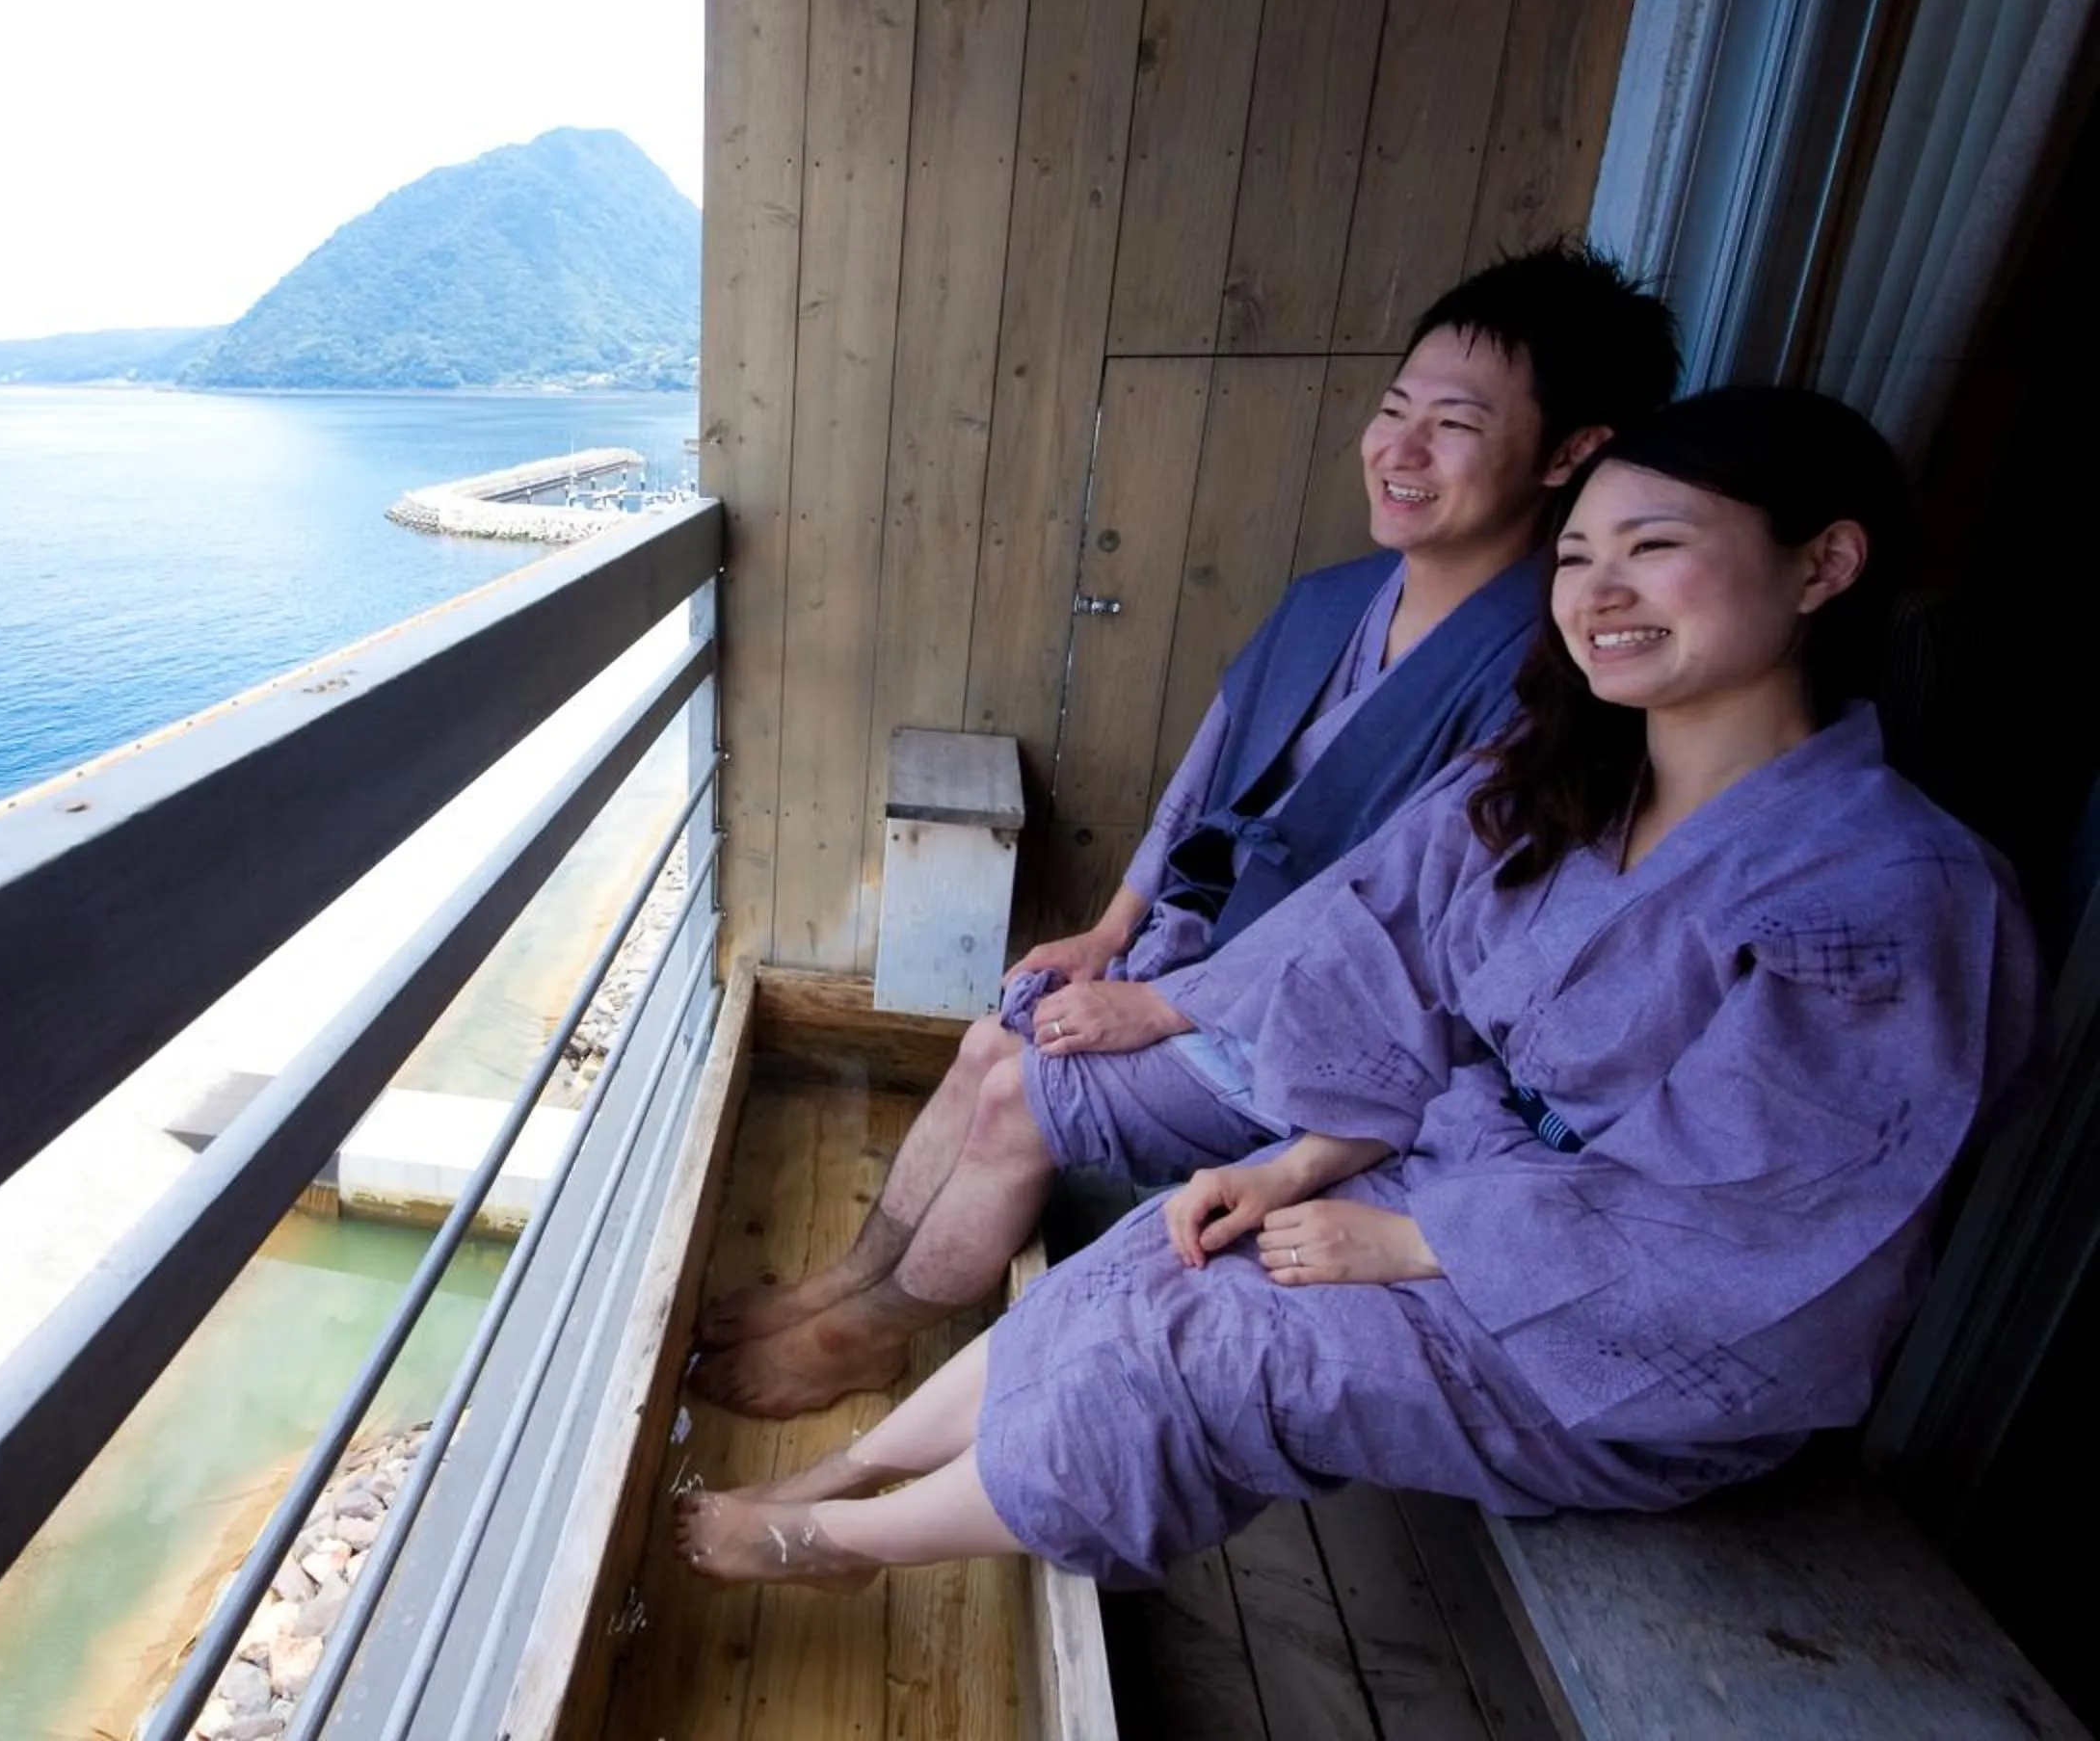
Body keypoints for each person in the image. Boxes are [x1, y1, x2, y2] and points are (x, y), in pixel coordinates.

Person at [675, 386, 2040, 1592]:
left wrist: (1416, 1236)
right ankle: (849, 1469)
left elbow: (1753, 1212)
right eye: (1578, 556)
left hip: (1635, 1343)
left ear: (1824, 566)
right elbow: (1381, 962)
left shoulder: (1889, 897)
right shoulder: (1558, 783)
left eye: (1655, 547)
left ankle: (835, 1545)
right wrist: (1292, 1165)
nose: (1599, 591)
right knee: (1158, 1252)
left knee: (1215, 1344)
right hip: (1455, 1184)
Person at [694, 242, 1682, 1417]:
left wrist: (1165, 1005)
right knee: (990, 1038)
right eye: (1393, 409)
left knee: (1022, 1092)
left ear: (1570, 452)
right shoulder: (1332, 601)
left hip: (1352, 1041)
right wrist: (1113, 930)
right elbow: (1202, 780)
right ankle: (848, 1276)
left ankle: (871, 1331)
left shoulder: (1547, 681)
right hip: (1212, 956)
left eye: (1455, 424)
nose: (1401, 449)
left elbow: (1391, 910)